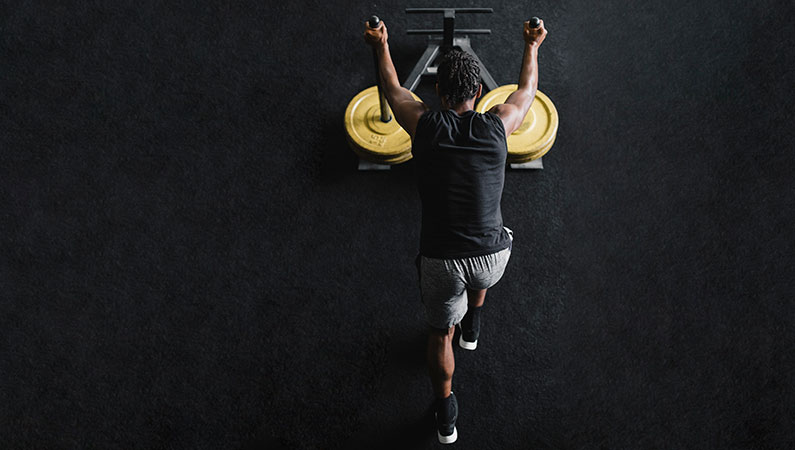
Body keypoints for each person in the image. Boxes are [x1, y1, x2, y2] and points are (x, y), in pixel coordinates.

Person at [364, 18, 548, 444]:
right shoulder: (498, 125)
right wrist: (531, 45)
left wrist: (382, 44)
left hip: (443, 264)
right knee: (487, 252)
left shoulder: (426, 127)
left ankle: (446, 414)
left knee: (438, 331)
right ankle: (475, 325)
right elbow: (527, 92)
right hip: (492, 260)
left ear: (438, 94)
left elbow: (393, 90)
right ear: (479, 93)